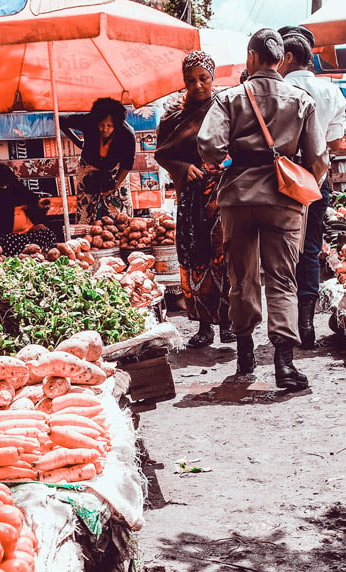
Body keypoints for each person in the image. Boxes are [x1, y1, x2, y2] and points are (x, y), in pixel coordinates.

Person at [197, 28, 324, 391]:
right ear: (281, 59)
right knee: (282, 280)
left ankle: (245, 355)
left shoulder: (230, 98)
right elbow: (318, 159)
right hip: (283, 200)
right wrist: (297, 182)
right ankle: (284, 366)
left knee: (243, 278)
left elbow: (208, 144)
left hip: (237, 198)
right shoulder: (300, 100)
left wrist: (226, 163)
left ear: (251, 57)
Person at [156, 51, 232, 349]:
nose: (198, 85)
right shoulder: (174, 113)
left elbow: (239, 145)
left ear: (212, 77)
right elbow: (162, 152)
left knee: (224, 257)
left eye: (203, 78)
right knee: (195, 255)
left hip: (222, 195)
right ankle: (203, 324)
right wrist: (182, 167)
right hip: (190, 198)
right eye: (191, 80)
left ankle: (228, 322)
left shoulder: (226, 106)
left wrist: (223, 166)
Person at [278, 29, 346, 349]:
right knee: (309, 248)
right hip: (318, 179)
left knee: (278, 250)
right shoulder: (331, 91)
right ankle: (306, 323)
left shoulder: (278, 89)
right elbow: (336, 143)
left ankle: (286, 322)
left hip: (280, 179)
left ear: (288, 57)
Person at [59, 98, 136, 224]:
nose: (104, 129)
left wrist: (115, 185)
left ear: (117, 124)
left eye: (109, 126)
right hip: (89, 166)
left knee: (119, 213)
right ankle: (85, 237)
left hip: (115, 170)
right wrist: (78, 143)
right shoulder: (87, 121)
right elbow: (61, 120)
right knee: (85, 208)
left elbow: (127, 164)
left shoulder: (127, 134)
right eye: (101, 125)